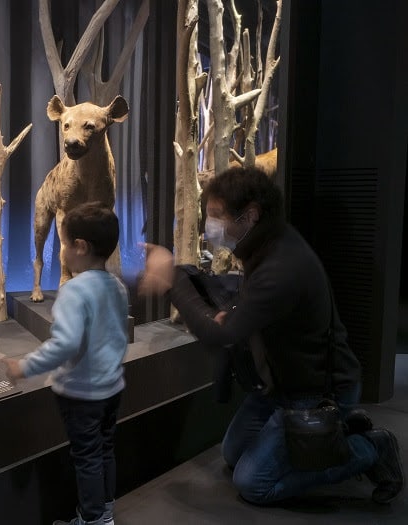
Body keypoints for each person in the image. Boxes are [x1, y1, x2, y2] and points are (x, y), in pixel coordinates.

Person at [139, 166, 404, 505]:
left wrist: (172, 281)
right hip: (280, 385)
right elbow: (250, 310)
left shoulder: (280, 266)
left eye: (217, 216)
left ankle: (367, 449)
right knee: (234, 453)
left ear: (249, 215)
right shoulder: (267, 244)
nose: (210, 226)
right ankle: (330, 437)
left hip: (314, 392)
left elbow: (219, 337)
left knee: (252, 483)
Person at [4, 202, 129, 525]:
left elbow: (65, 344)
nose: (62, 251)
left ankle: (94, 520)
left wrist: (25, 366)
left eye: (63, 243)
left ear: (80, 247)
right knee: (105, 450)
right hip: (112, 388)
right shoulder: (116, 285)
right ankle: (105, 510)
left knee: (86, 457)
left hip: (83, 395)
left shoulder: (74, 291)